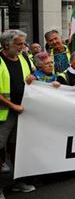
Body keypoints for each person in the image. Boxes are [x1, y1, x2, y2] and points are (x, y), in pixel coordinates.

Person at [0, 30, 36, 194]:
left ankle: (17, 181)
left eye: (23, 44)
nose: (23, 47)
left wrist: (31, 79)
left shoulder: (23, 58)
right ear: (7, 45)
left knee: (17, 149)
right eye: (19, 44)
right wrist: (12, 105)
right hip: (4, 115)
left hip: (20, 112)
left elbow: (28, 78)